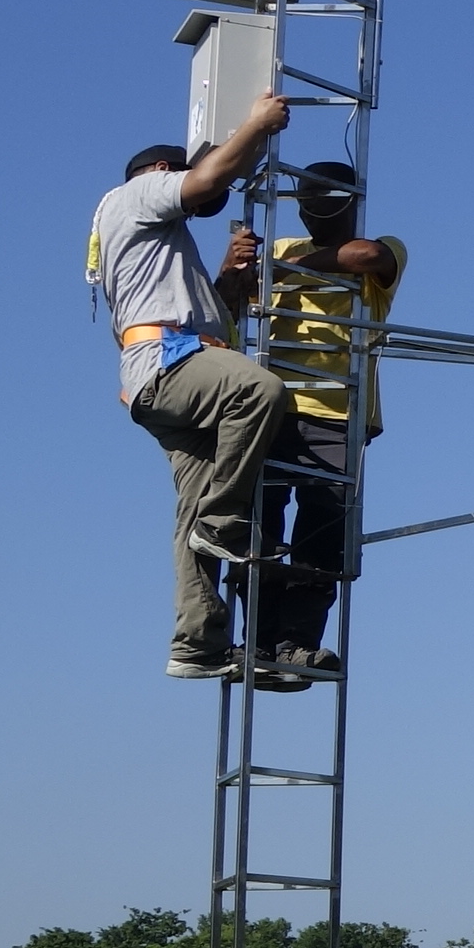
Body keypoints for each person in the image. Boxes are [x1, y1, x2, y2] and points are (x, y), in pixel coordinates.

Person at [87, 91, 292, 680]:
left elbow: (204, 318)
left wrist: (228, 276)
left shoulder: (149, 245)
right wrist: (255, 124)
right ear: (159, 172)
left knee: (191, 517)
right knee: (261, 391)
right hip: (169, 366)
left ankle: (197, 644)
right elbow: (206, 179)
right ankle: (222, 522)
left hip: (165, 373)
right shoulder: (137, 194)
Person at [250, 160, 407, 676]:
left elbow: (365, 256)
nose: (316, 214)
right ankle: (260, 643)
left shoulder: (383, 249)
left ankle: (296, 642)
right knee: (260, 530)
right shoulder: (273, 251)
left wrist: (281, 273)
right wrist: (235, 272)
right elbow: (230, 304)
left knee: (321, 532)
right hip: (269, 406)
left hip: (339, 411)